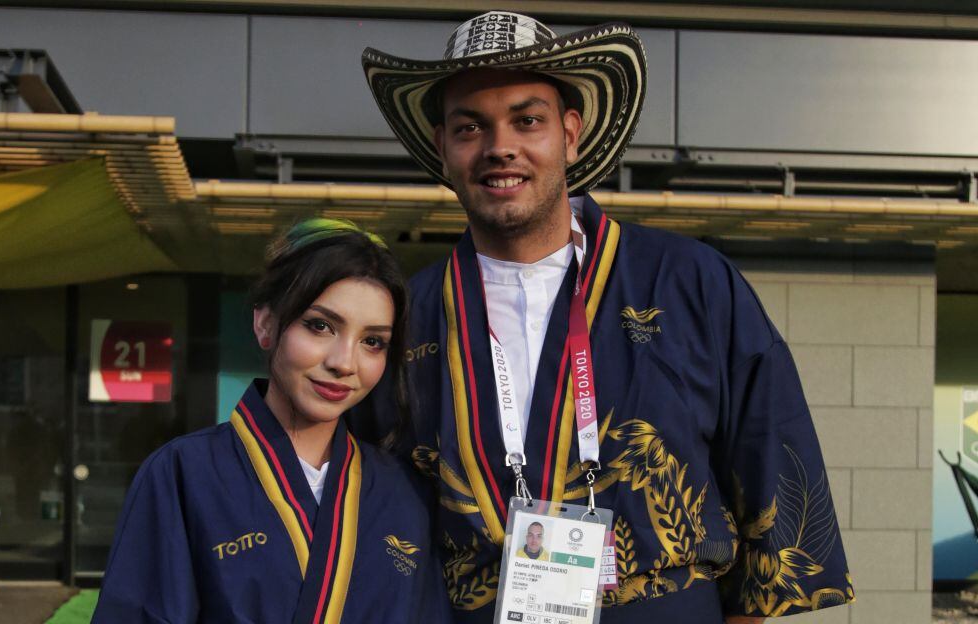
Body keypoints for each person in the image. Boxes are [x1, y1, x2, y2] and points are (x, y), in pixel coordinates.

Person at [360, 11, 853, 623]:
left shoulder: (691, 282)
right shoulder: (408, 317)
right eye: (470, 127)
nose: (499, 147)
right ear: (443, 148)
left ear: (571, 132)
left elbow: (772, 464)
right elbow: (373, 509)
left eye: (527, 119)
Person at [93, 219, 451, 623]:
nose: (344, 363)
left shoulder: (404, 492)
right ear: (265, 323)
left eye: (373, 342)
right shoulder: (182, 474)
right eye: (320, 326)